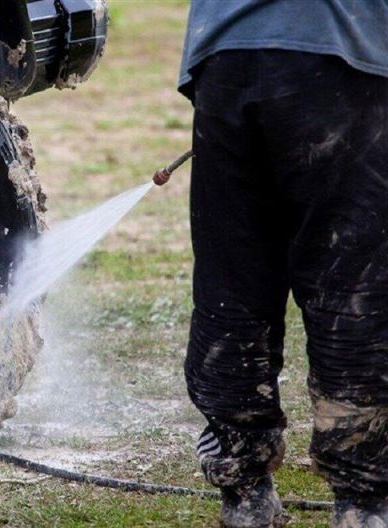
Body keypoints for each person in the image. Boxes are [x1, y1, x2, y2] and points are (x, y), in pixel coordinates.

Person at [179, 2, 388, 527]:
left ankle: (245, 493)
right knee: (350, 284)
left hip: (225, 57)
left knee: (233, 279)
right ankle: (362, 503)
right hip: (344, 56)